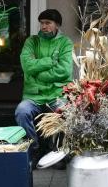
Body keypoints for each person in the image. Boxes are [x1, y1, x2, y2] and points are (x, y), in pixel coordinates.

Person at [15, 9, 73, 166]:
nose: (44, 26)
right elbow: (27, 66)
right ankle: (34, 149)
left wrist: (37, 73)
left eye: (48, 23)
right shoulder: (31, 42)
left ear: (57, 25)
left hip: (56, 95)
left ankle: (58, 151)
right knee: (22, 111)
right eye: (42, 23)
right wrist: (49, 61)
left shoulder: (65, 43)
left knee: (65, 112)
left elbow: (64, 71)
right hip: (33, 95)